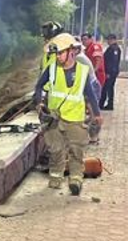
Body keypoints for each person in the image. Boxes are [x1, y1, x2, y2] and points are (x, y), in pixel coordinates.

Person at [35, 33, 102, 195]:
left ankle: (76, 179)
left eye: (60, 53)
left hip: (75, 118)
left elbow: (91, 94)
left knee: (76, 149)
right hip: (54, 117)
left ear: (71, 51)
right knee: (56, 148)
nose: (57, 57)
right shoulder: (51, 68)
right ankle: (56, 176)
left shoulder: (82, 71)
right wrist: (39, 103)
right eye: (56, 54)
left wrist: (97, 114)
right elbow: (39, 87)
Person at [101, 33, 122, 111]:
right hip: (113, 72)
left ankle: (107, 104)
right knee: (110, 88)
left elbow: (112, 62)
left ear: (113, 39)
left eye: (109, 39)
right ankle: (109, 104)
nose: (108, 41)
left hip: (110, 73)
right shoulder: (116, 48)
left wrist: (108, 73)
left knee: (107, 88)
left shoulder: (113, 49)